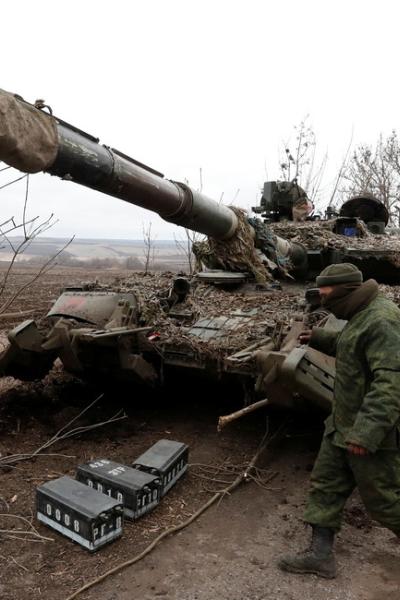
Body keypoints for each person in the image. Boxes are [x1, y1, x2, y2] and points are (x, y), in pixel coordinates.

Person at [278, 263, 400, 579]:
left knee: (385, 503)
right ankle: (321, 556)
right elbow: (351, 343)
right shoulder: (361, 312)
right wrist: (318, 337)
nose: (322, 299)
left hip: (367, 432)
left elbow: (391, 382)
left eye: (326, 293)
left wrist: (366, 433)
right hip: (342, 425)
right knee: (326, 487)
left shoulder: (382, 321)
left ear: (345, 291)